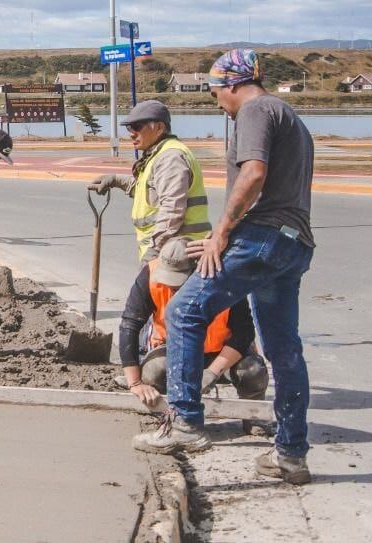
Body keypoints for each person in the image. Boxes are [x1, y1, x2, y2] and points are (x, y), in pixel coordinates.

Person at [132, 49, 316, 486]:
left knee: (183, 311)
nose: (217, 102)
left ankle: (186, 423)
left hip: (263, 236)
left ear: (232, 84)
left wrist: (222, 232)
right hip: (294, 243)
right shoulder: (289, 116)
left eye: (216, 92)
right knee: (284, 349)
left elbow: (252, 174)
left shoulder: (255, 110)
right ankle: (291, 455)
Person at [116, 239, 268, 409]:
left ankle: (255, 417)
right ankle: (164, 413)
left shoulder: (225, 279)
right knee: (155, 369)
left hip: (221, 353)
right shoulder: (150, 275)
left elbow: (244, 332)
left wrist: (212, 372)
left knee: (252, 371)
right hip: (174, 350)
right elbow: (129, 325)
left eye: (178, 283)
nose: (172, 288)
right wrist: (135, 383)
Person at [88, 100, 211, 265]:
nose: (131, 133)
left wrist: (155, 251)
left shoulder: (170, 157)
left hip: (176, 252)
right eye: (129, 128)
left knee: (143, 292)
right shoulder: (158, 155)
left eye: (137, 127)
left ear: (159, 128)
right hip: (169, 250)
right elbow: (149, 191)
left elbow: (172, 208)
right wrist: (116, 180)